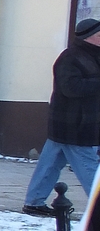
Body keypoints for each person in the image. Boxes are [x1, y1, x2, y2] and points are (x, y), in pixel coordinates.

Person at [22, 17, 100, 217]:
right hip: (75, 125)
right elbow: (71, 88)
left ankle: (34, 202)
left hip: (75, 124)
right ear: (88, 37)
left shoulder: (94, 56)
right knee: (89, 166)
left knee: (50, 164)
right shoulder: (70, 58)